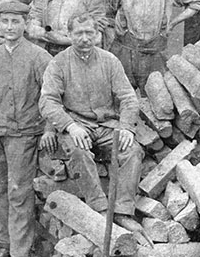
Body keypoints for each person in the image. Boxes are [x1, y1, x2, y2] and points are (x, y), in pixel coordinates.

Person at [0, 1, 52, 257]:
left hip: (23, 132)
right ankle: (4, 244)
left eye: (15, 22)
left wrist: (48, 128)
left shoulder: (39, 56)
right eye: (5, 22)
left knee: (18, 192)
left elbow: (51, 95)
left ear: (25, 25)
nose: (9, 27)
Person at [40, 12, 144, 217]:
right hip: (76, 125)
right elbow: (48, 101)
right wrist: (70, 126)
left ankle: (123, 211)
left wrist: (126, 127)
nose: (85, 38)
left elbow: (128, 97)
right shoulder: (58, 63)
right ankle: (100, 209)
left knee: (132, 151)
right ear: (69, 35)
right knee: (79, 152)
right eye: (79, 33)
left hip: (107, 126)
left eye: (89, 33)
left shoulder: (109, 61)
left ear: (97, 35)